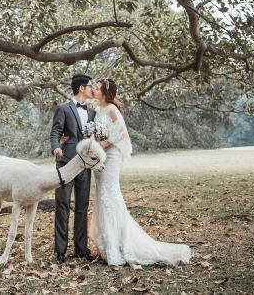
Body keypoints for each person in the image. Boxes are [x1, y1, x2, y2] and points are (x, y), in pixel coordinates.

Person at [90, 78, 191, 266]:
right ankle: (108, 246)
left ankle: (119, 246)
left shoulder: (111, 109)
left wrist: (105, 143)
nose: (94, 90)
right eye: (94, 88)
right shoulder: (97, 111)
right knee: (101, 196)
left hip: (111, 157)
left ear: (105, 93)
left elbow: (122, 133)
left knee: (110, 196)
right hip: (99, 158)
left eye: (97, 88)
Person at [50, 73, 96, 264]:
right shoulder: (63, 109)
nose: (92, 88)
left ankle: (81, 249)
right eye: (90, 86)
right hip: (66, 162)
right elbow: (55, 132)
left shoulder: (93, 113)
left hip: (85, 164)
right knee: (62, 206)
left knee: (82, 207)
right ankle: (60, 251)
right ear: (81, 88)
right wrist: (56, 147)